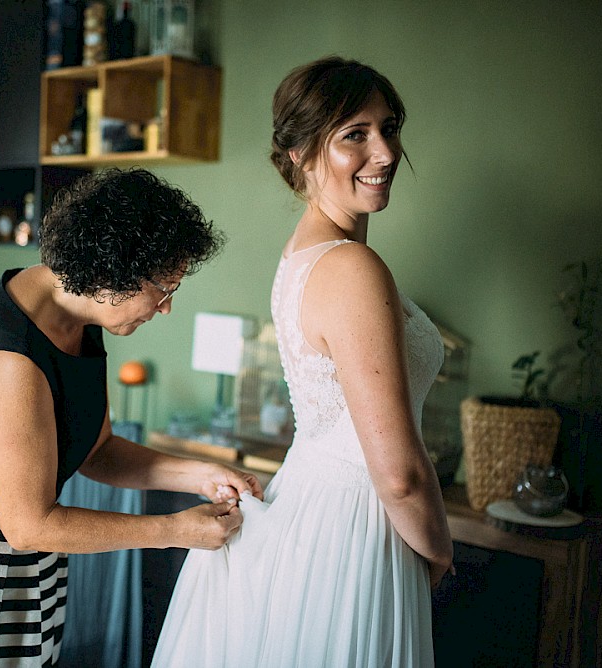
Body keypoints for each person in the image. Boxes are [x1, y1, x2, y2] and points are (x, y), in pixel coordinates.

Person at [0, 168, 263, 668]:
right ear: (113, 272)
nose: (166, 308)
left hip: (29, 558)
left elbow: (97, 452)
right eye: (164, 288)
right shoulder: (8, 360)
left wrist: (199, 474)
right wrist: (175, 529)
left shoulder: (80, 316)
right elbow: (29, 525)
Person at [151, 56, 454, 667]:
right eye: (355, 134)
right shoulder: (349, 268)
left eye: (389, 127)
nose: (387, 152)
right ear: (300, 153)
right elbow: (397, 475)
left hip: (320, 506)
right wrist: (440, 549)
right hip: (357, 525)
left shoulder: (306, 255)